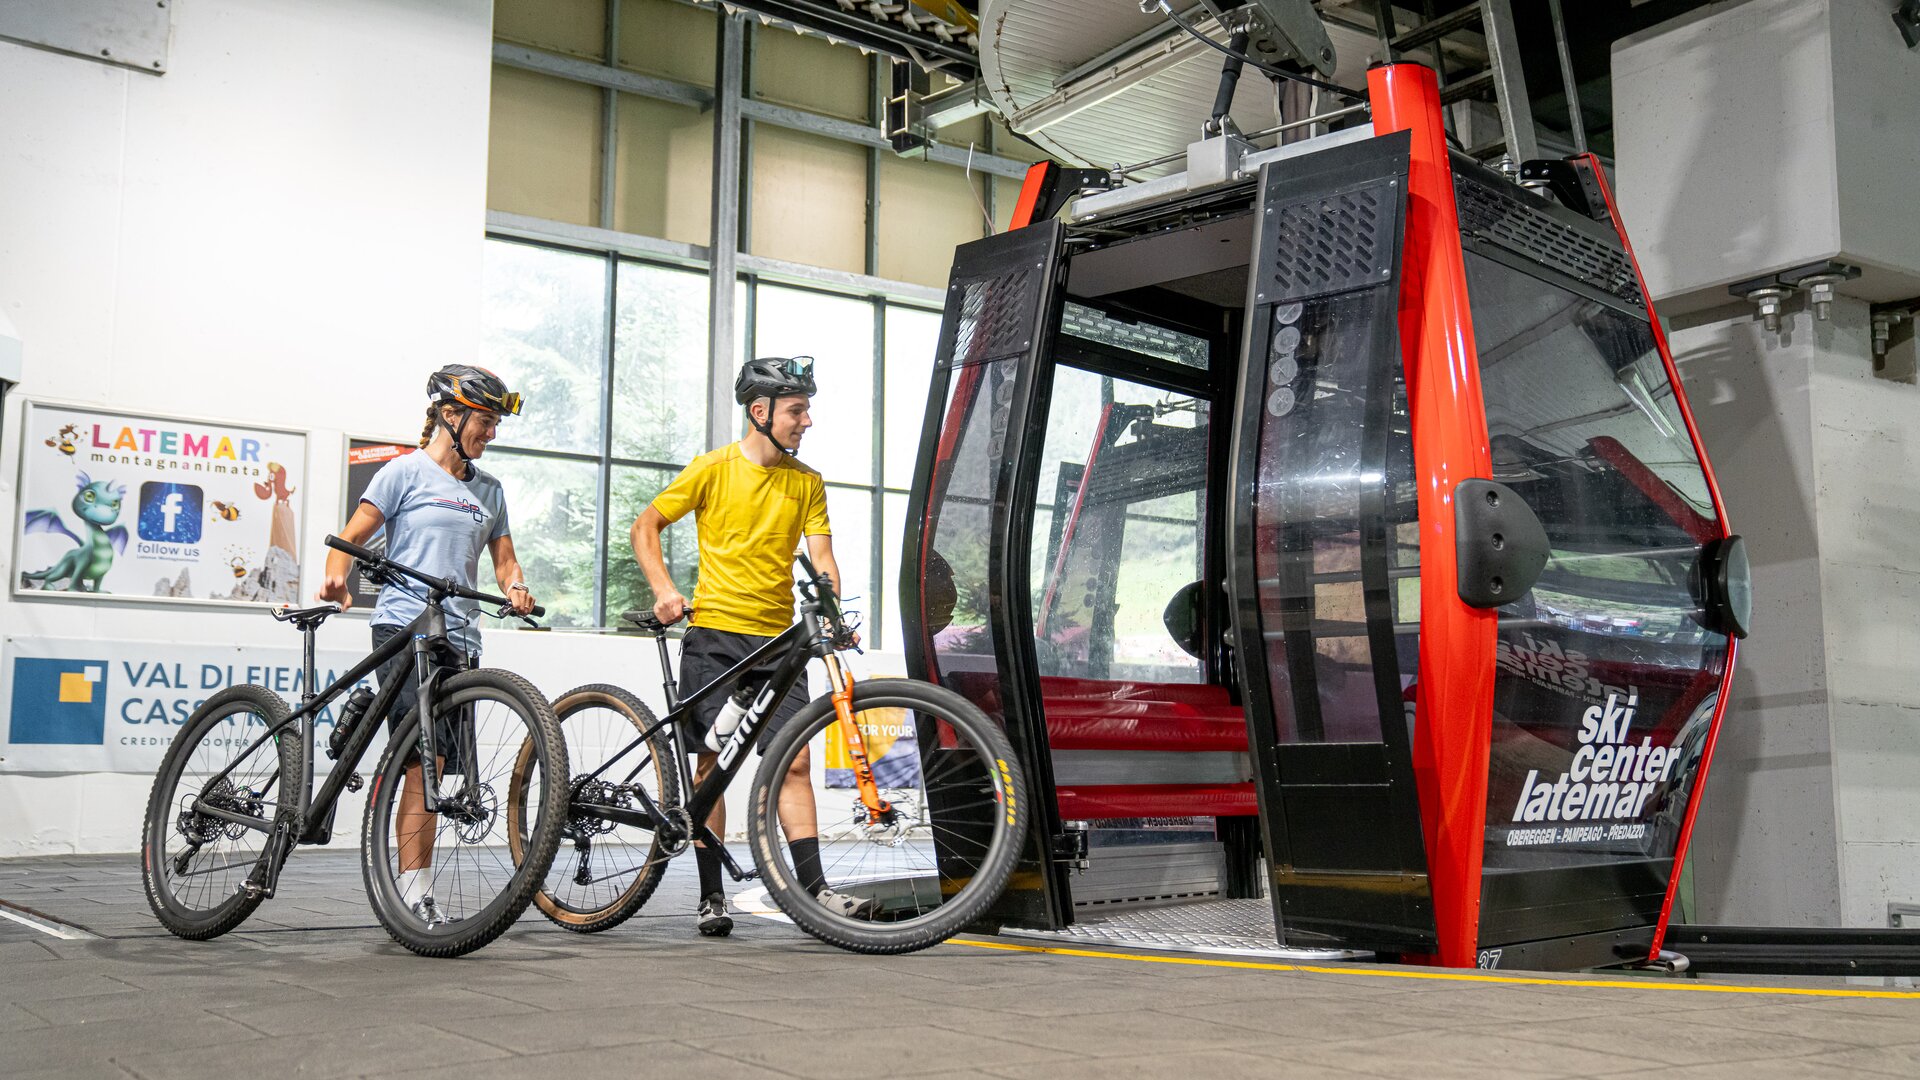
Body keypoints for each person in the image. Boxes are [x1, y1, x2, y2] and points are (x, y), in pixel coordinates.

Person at [631, 355, 870, 937]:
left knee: (796, 761)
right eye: (796, 410)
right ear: (759, 413)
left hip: (781, 644)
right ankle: (711, 895)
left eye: (807, 409)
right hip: (715, 637)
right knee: (713, 763)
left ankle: (816, 892)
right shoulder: (711, 470)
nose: (806, 420)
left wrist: (833, 612)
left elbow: (822, 560)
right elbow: (646, 526)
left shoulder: (807, 483)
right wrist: (665, 591)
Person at [317, 364, 537, 925]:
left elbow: (504, 559)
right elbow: (352, 535)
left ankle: (414, 881)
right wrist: (336, 573)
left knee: (441, 771)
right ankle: (416, 892)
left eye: (493, 423)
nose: (492, 434)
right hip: (403, 628)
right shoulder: (403, 473)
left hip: (459, 635)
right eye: (484, 422)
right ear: (449, 414)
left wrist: (515, 586)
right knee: (424, 759)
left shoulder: (490, 490)